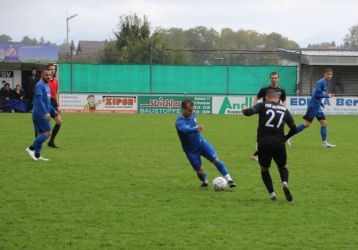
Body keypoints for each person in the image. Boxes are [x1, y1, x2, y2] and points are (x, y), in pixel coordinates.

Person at [242, 89, 296, 201]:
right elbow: (294, 128)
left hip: (264, 143)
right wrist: (285, 138)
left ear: (266, 97)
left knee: (264, 169)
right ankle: (285, 183)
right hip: (279, 143)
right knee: (283, 166)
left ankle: (272, 194)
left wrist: (244, 110)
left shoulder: (263, 105)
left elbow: (250, 112)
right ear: (278, 99)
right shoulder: (284, 109)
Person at [176, 98, 237, 188]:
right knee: (199, 170)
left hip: (202, 144)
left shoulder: (192, 114)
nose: (192, 112)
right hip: (191, 151)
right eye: (190, 110)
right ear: (183, 109)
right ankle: (205, 181)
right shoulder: (179, 121)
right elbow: (185, 129)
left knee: (216, 160)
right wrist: (196, 129)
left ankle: (230, 180)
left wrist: (196, 128)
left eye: (193, 110)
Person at [286, 68, 336, 148]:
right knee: (306, 124)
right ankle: (287, 136)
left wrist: (321, 103)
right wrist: (327, 96)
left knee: (324, 123)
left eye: (330, 74)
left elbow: (315, 93)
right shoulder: (321, 82)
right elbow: (315, 95)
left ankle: (324, 143)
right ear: (324, 74)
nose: (329, 76)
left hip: (317, 106)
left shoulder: (325, 83)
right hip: (313, 106)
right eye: (328, 74)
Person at [251, 72, 287, 161]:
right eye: (272, 78)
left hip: (277, 114)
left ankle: (261, 153)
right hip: (265, 115)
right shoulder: (265, 89)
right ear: (270, 79)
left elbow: (284, 100)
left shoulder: (281, 90)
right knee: (261, 134)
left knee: (275, 133)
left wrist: (283, 106)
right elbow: (256, 98)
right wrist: (256, 108)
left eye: (275, 78)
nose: (274, 80)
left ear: (278, 79)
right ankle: (258, 153)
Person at [25, 67, 58, 161]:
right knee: (48, 132)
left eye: (49, 75)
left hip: (42, 113)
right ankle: (31, 148)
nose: (48, 76)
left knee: (40, 134)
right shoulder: (40, 85)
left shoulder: (47, 86)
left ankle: (37, 155)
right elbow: (39, 101)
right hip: (40, 114)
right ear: (42, 75)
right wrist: (46, 112)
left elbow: (47, 102)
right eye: (46, 75)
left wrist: (53, 110)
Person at [47, 63, 62, 148]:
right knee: (45, 124)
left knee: (59, 122)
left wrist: (57, 105)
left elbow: (54, 94)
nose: (53, 70)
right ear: (48, 70)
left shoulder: (56, 80)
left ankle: (51, 142)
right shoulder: (44, 80)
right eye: (51, 69)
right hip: (46, 102)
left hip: (52, 102)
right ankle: (37, 141)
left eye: (54, 69)